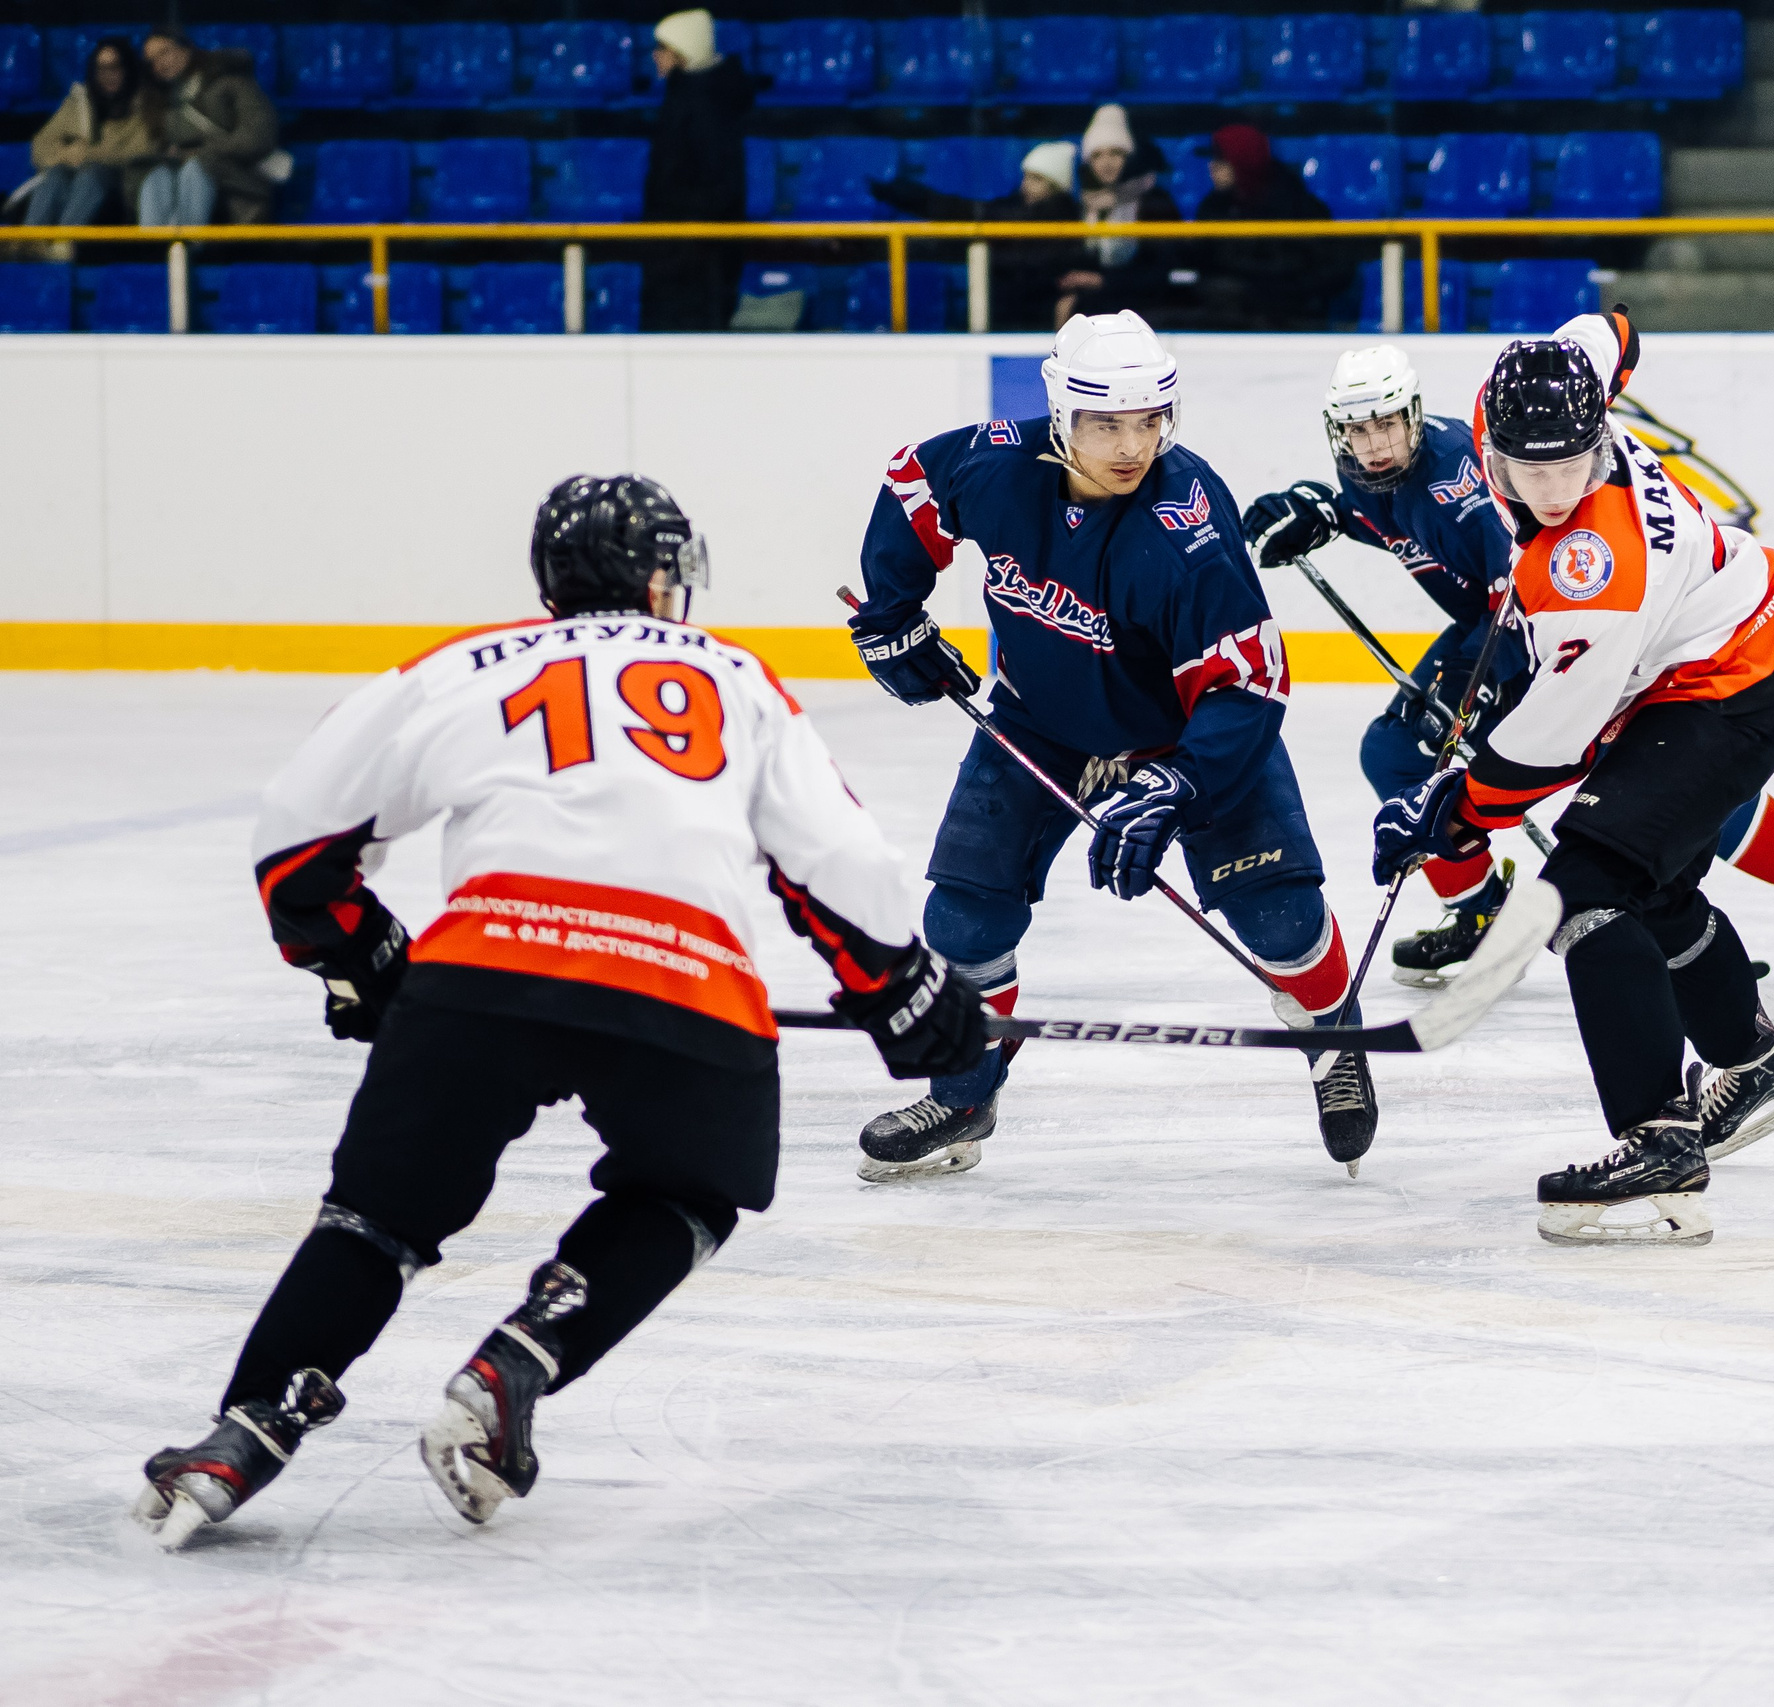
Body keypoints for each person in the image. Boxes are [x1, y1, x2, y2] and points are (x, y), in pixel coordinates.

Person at [129, 475, 981, 1549]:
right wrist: (900, 990)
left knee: (379, 1219)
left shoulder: (461, 667)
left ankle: (243, 1431)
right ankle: (514, 1364)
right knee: (690, 1191)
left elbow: (296, 839)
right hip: (684, 986)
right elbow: (835, 861)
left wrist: (364, 956)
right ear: (668, 577)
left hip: (484, 976)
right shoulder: (736, 675)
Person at [845, 310, 1382, 1180]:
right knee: (963, 917)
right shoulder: (994, 463)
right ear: (1061, 414)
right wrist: (891, 616)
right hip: (1039, 717)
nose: (1132, 445)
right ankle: (966, 1090)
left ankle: (1331, 1029)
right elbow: (914, 486)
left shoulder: (1188, 527)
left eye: (1148, 421)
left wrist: (1180, 782)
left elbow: (1250, 682)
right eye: (1106, 423)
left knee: (1279, 919)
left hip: (1185, 733)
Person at [1242, 344, 1774, 996]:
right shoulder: (1375, 473)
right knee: (1395, 751)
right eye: (1358, 429)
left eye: (1386, 423)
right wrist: (1325, 510)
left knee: (1656, 789)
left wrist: (1479, 679)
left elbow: (1523, 593)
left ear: (1413, 415)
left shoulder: (1464, 481)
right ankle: (1480, 909)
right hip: (1504, 631)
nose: (1375, 442)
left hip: (1563, 636)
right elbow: (1388, 516)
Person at [1371, 314, 1774, 1247]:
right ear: (1489, 437)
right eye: (1528, 469)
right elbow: (1610, 328)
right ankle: (1758, 1060)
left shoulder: (1597, 567)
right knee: (1652, 879)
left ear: (1598, 443)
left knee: (1582, 888)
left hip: (1727, 688)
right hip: (1704, 665)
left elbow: (1551, 741)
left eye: (1569, 468)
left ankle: (1658, 1137)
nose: (1549, 491)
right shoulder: (1555, 384)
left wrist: (1453, 815)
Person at [870, 140, 1085, 332]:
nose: (1026, 185)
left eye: (1037, 179)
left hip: (1035, 321)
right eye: (1026, 177)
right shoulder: (1013, 207)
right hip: (1002, 316)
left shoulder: (1062, 222)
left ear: (1056, 186)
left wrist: (913, 197)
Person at [642, 9, 759, 332]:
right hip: (682, 254)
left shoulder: (705, 105)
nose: (656, 56)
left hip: (694, 260)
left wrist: (672, 217)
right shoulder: (691, 98)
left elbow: (719, 187)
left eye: (663, 48)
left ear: (682, 53)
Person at [1185, 123, 1355, 331]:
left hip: (1291, 322)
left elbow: (1335, 269)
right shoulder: (1213, 207)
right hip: (1228, 322)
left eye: (1221, 159)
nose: (1212, 166)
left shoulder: (1298, 207)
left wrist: (1282, 291)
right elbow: (1202, 263)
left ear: (1243, 161)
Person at [1055, 104, 1185, 326]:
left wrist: (1103, 282)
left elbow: (1161, 271)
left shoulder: (1155, 202)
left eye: (1116, 153)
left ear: (1130, 156)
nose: (1106, 163)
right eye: (1097, 155)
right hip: (1100, 306)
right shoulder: (1086, 206)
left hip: (1143, 308)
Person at [135, 29, 278, 227]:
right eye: (152, 60)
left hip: (239, 181)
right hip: (183, 178)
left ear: (186, 49)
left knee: (196, 168)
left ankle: (188, 245)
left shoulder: (231, 82)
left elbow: (257, 137)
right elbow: (153, 146)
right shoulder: (158, 102)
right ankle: (155, 250)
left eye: (164, 52)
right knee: (157, 177)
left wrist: (200, 152)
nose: (159, 63)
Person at [26, 37, 159, 230]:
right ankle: (30, 240)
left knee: (93, 174)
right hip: (76, 186)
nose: (109, 75)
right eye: (102, 68)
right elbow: (41, 146)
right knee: (56, 175)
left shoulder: (146, 104)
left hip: (123, 191)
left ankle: (65, 241)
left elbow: (140, 149)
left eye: (116, 67)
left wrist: (84, 153)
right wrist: (68, 154)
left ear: (128, 68)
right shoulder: (79, 103)